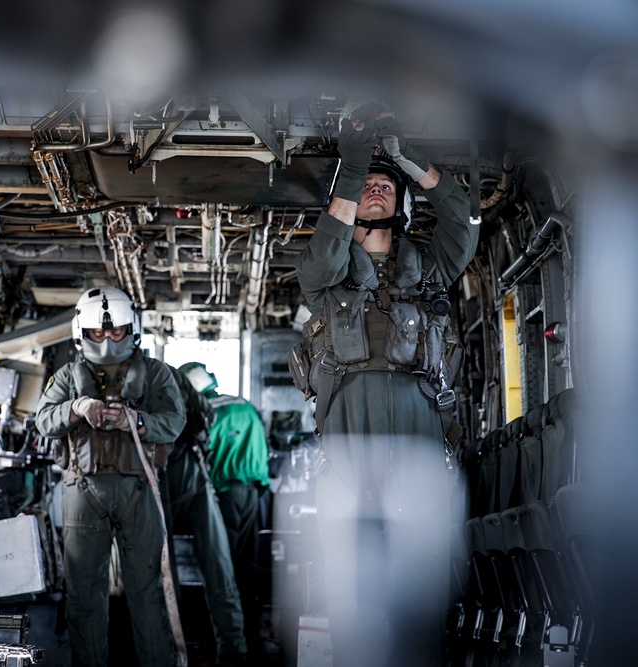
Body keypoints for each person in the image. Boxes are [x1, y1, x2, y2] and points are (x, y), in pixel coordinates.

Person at [292, 99, 480, 666]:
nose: (378, 188)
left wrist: (408, 157)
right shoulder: (324, 277)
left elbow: (465, 219)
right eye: (368, 185)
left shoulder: (432, 269)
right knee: (352, 611)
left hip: (419, 470)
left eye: (386, 185)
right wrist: (355, 162)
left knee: (422, 610)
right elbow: (326, 248)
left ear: (402, 205)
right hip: (349, 472)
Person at [34, 286, 185, 667]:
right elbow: (43, 419)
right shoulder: (67, 376)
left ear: (131, 328)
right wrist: (76, 407)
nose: (107, 338)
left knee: (148, 595)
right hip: (83, 492)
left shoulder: (157, 375)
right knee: (83, 597)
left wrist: (135, 420)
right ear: (81, 333)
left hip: (140, 492)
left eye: (116, 330)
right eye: (98, 333)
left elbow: (174, 423)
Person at [178, 362, 270, 658]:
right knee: (247, 570)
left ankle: (226, 645)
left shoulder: (207, 411)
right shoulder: (244, 405)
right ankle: (252, 639)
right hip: (254, 495)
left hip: (223, 496)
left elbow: (203, 457)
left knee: (222, 573)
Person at [163, 365, 249, 667]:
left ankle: (166, 652)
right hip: (190, 483)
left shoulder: (162, 376)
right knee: (219, 572)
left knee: (160, 579)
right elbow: (205, 421)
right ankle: (232, 649)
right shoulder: (178, 380)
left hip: (173, 485)